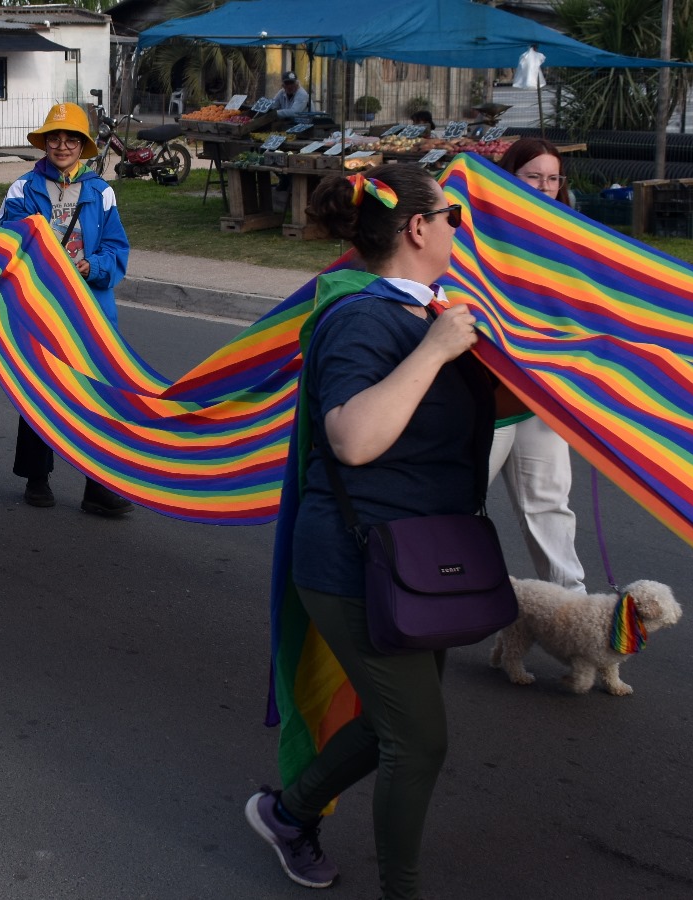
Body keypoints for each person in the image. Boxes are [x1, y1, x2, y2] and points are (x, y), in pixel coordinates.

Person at [248, 163, 489, 900]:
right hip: (358, 562)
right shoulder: (358, 315)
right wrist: (436, 350)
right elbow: (351, 437)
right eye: (451, 216)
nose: (458, 228)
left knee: (396, 722)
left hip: (418, 562)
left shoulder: (428, 314)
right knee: (418, 739)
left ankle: (287, 815)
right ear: (418, 228)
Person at [0, 102, 131, 516]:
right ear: (45, 143)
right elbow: (8, 241)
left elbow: (116, 248)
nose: (62, 145)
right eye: (54, 138)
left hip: (91, 313)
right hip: (42, 309)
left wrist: (92, 265)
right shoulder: (23, 189)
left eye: (71, 138)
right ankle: (37, 478)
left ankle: (98, 486)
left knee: (97, 398)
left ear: (83, 145)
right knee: (41, 392)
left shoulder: (101, 192)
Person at [487, 138, 584, 591]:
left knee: (550, 509)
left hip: (541, 399)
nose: (545, 186)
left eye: (553, 178)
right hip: (483, 398)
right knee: (451, 507)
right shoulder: (480, 229)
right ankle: (429, 603)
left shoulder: (573, 236)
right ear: (510, 175)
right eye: (533, 176)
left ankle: (577, 619)